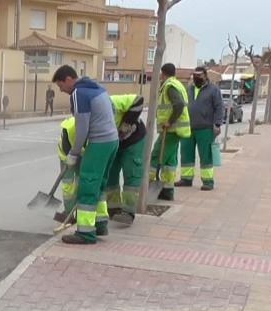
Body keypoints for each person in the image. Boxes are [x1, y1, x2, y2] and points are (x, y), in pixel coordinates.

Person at [52, 65, 119, 245]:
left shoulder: (78, 93)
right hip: (112, 140)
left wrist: (74, 152)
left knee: (88, 185)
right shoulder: (98, 88)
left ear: (68, 79)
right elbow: (113, 111)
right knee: (100, 185)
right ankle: (100, 224)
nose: (62, 90)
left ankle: (85, 233)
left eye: (60, 86)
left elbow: (82, 127)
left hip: (99, 143)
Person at [176, 66, 224, 191]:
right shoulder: (189, 89)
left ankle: (208, 182)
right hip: (188, 128)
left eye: (199, 76)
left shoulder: (214, 90)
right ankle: (186, 179)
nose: (197, 78)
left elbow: (219, 107)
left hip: (206, 129)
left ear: (205, 76)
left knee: (206, 155)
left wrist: (217, 124)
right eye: (195, 76)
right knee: (186, 154)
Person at [150, 63, 191, 201]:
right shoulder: (178, 84)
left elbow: (178, 104)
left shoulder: (169, 86)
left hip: (171, 129)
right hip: (175, 130)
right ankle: (167, 190)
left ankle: (148, 186)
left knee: (155, 156)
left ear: (163, 73)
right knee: (169, 162)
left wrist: (170, 121)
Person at [107, 94, 146, 225]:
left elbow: (139, 100)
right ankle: (113, 208)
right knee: (110, 172)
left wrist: (126, 123)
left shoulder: (114, 102)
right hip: (114, 141)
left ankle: (129, 212)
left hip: (133, 139)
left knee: (131, 172)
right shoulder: (91, 115)